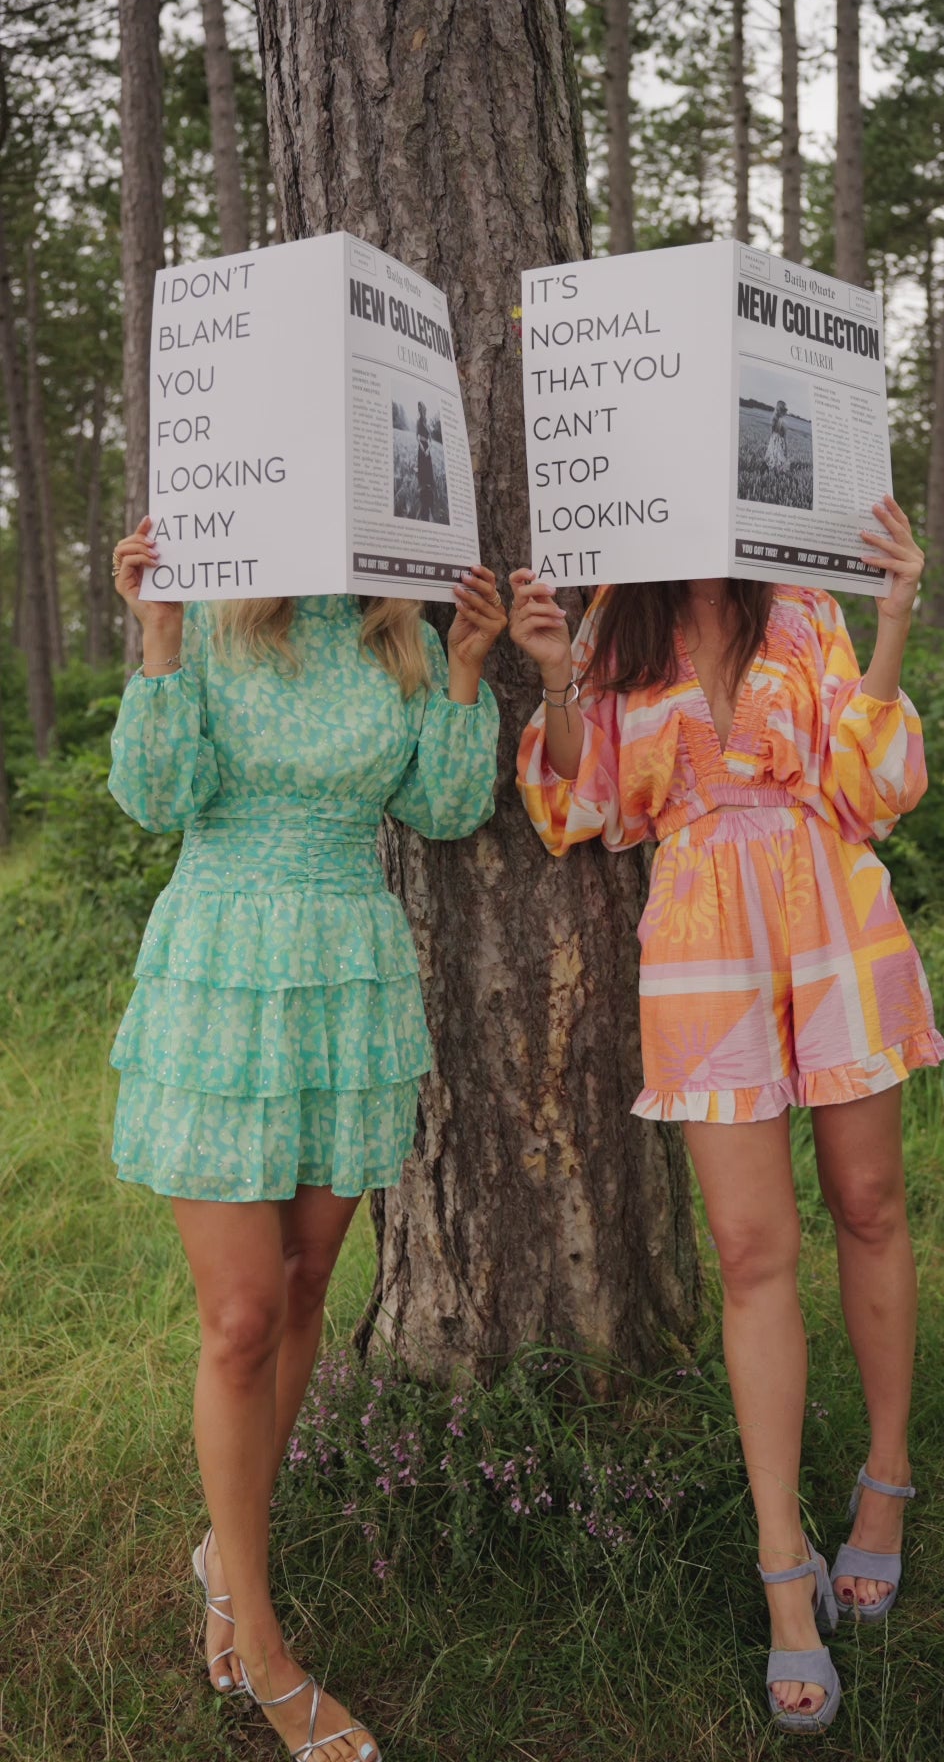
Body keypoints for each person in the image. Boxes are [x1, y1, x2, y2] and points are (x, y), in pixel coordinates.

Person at [509, 498, 944, 1737]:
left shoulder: (799, 601)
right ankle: (781, 1567)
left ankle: (886, 1479)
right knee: (754, 1251)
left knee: (870, 1203)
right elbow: (578, 807)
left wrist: (897, 614)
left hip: (832, 913)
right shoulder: (614, 623)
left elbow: (877, 788)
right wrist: (551, 679)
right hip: (699, 942)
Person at [109, 516, 505, 1762]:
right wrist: (158, 633)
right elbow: (155, 798)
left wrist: (468, 666)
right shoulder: (222, 616)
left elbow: (443, 810)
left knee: (302, 1290)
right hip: (224, 967)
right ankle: (263, 1640)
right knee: (236, 1319)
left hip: (348, 969)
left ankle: (227, 1547)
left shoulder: (395, 635)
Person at [415, 401, 436, 521]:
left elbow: (431, 439)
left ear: (423, 409)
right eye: (418, 408)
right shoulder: (418, 422)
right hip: (421, 446)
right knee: (422, 465)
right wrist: (422, 446)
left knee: (427, 467)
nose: (419, 410)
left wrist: (428, 448)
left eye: (420, 408)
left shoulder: (427, 422)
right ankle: (422, 484)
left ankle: (428, 484)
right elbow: (417, 436)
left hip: (427, 448)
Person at [765, 398, 789, 474]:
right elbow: (784, 436)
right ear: (783, 411)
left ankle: (771, 469)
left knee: (773, 455)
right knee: (780, 457)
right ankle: (778, 471)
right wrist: (786, 447)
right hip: (780, 441)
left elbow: (772, 433)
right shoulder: (783, 421)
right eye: (785, 410)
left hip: (773, 440)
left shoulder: (773, 419)